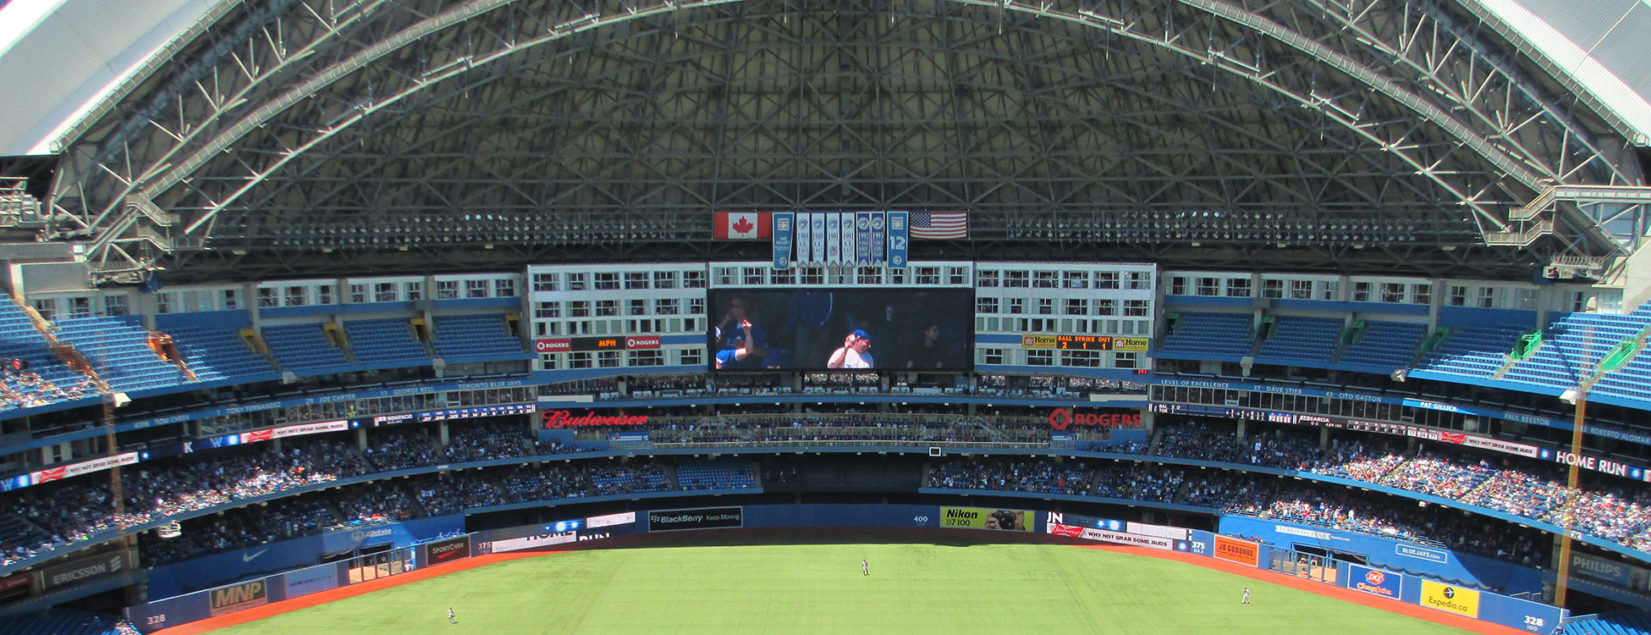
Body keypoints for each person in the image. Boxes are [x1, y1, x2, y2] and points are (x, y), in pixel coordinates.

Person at [714, 295, 768, 370]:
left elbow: (764, 352)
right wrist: (725, 320)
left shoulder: (755, 329)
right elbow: (712, 336)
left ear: (743, 309)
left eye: (733, 306)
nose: (730, 309)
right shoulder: (730, 327)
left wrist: (748, 346)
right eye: (730, 305)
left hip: (746, 369)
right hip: (723, 365)